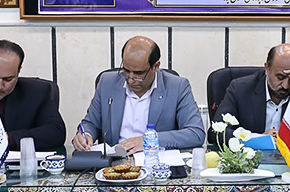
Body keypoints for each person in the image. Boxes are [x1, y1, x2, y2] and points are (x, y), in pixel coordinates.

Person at [72, 36, 204, 154]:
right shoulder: (107, 82)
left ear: (155, 66)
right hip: (114, 164)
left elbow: (196, 133)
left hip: (154, 161)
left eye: (139, 74)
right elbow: (90, 123)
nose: (130, 79)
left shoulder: (177, 86)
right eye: (126, 71)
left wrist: (148, 141)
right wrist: (85, 135)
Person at [209, 43, 290, 143]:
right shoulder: (240, 89)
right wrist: (259, 139)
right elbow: (215, 133)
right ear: (267, 69)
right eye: (280, 77)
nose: (285, 85)